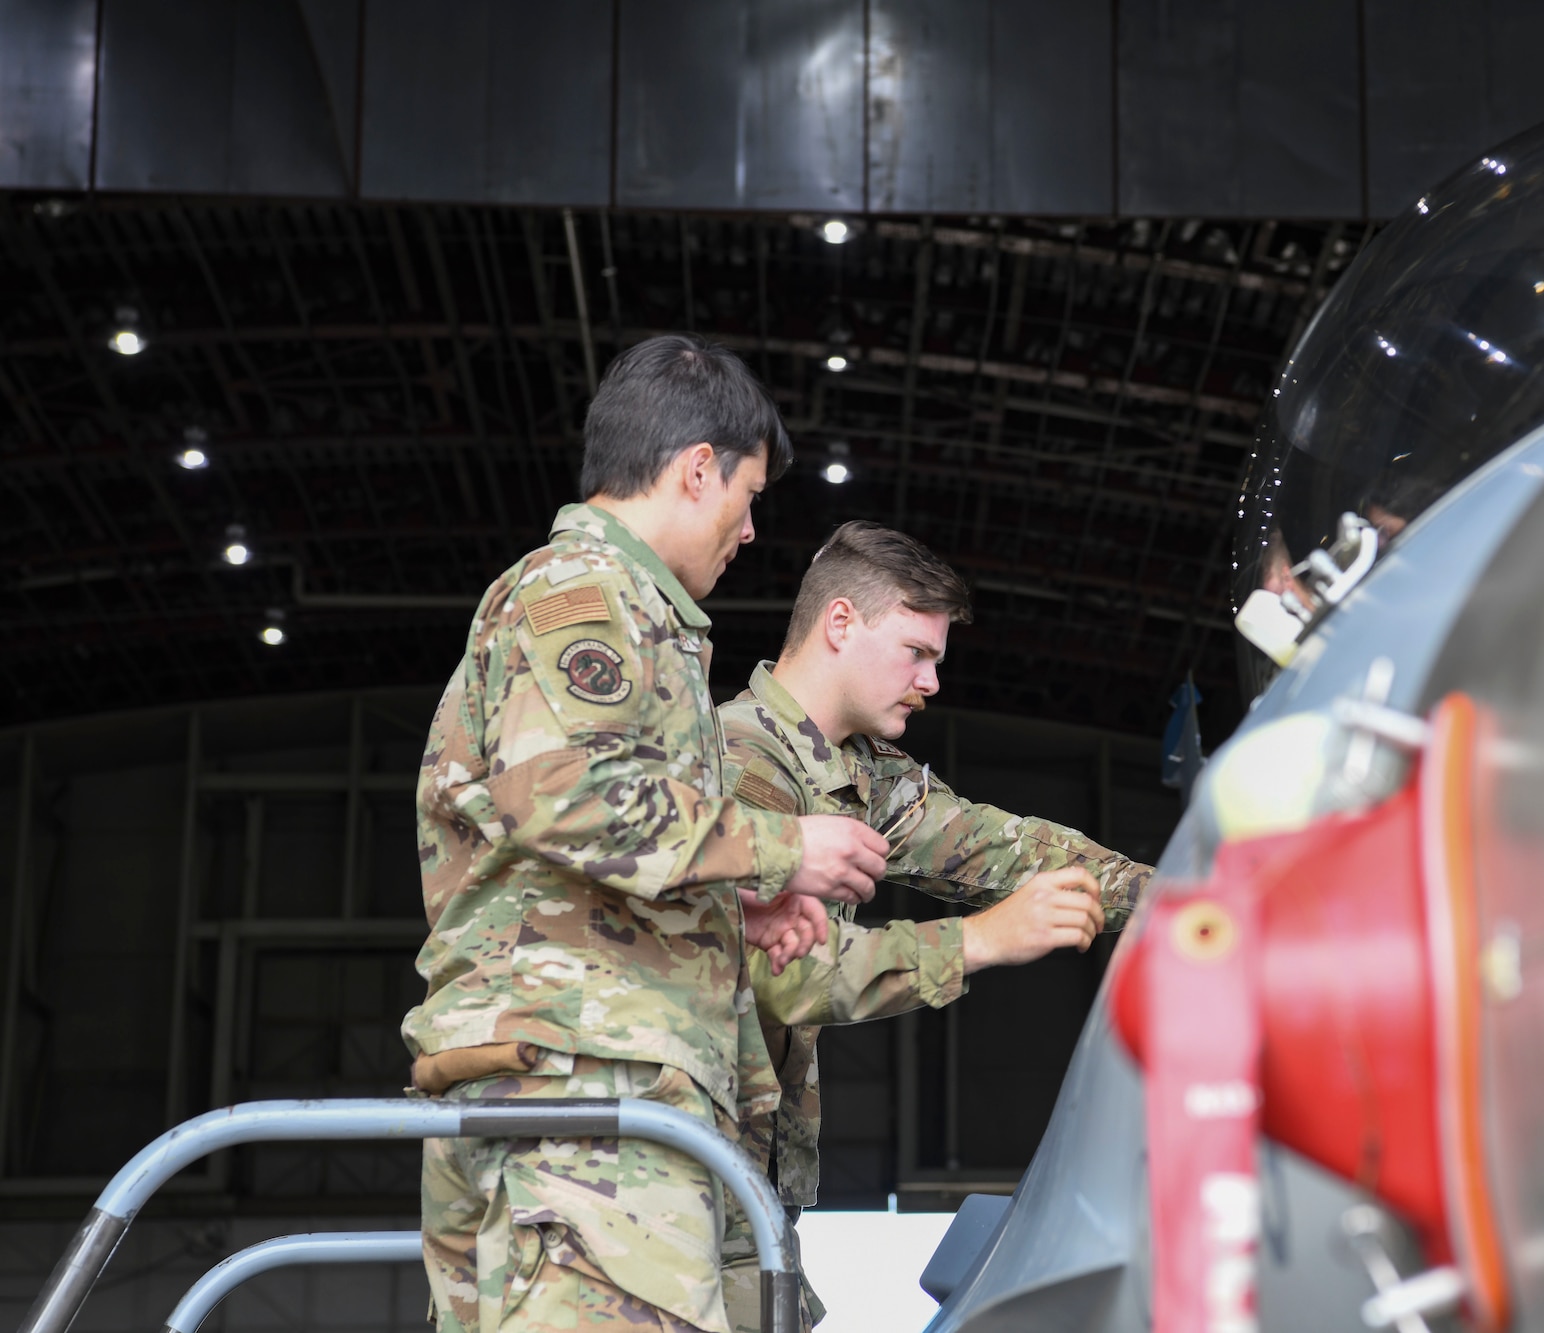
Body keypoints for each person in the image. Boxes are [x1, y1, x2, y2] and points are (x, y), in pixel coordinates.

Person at [404, 335, 890, 1333]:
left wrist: (723, 898)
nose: (750, 530)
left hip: (586, 1087)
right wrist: (782, 847)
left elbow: (564, 845)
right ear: (694, 468)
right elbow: (572, 795)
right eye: (745, 497)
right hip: (587, 1099)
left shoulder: (624, 614)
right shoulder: (579, 596)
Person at [713, 521, 1156, 1329]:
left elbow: (1006, 847)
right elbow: (778, 976)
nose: (931, 681)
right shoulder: (744, 766)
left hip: (750, 1196)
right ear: (840, 622)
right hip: (690, 1191)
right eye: (917, 652)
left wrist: (1176, 899)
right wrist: (983, 939)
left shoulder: (860, 774)